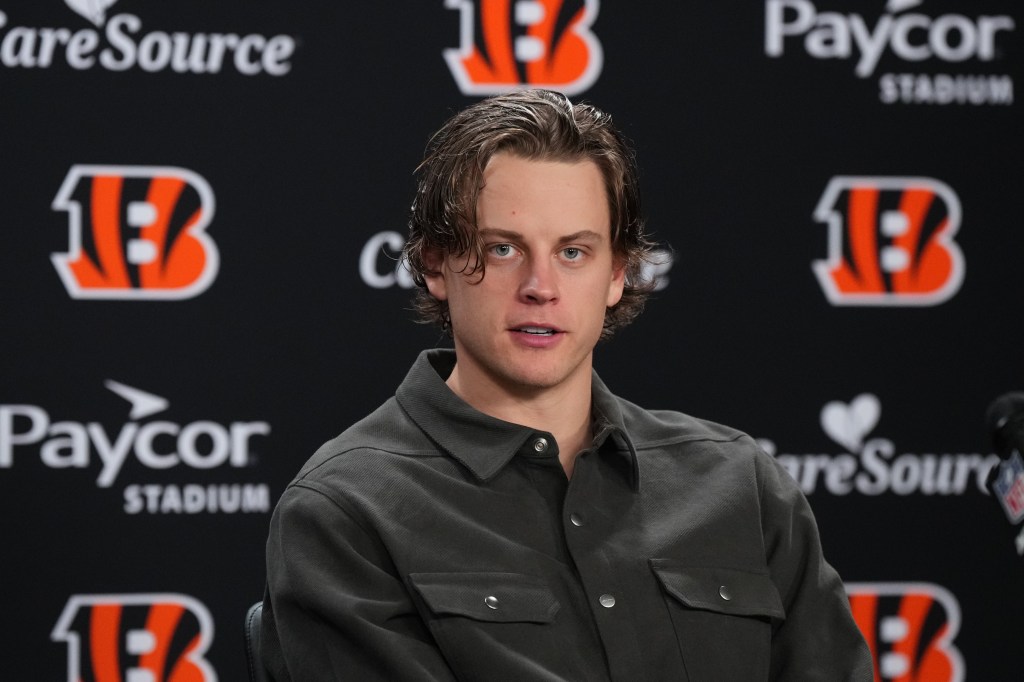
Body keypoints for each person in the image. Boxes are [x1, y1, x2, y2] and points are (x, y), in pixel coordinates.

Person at [261, 89, 873, 681]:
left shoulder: (741, 486)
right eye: (503, 249)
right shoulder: (346, 512)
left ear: (618, 273)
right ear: (435, 264)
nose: (541, 287)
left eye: (573, 252)